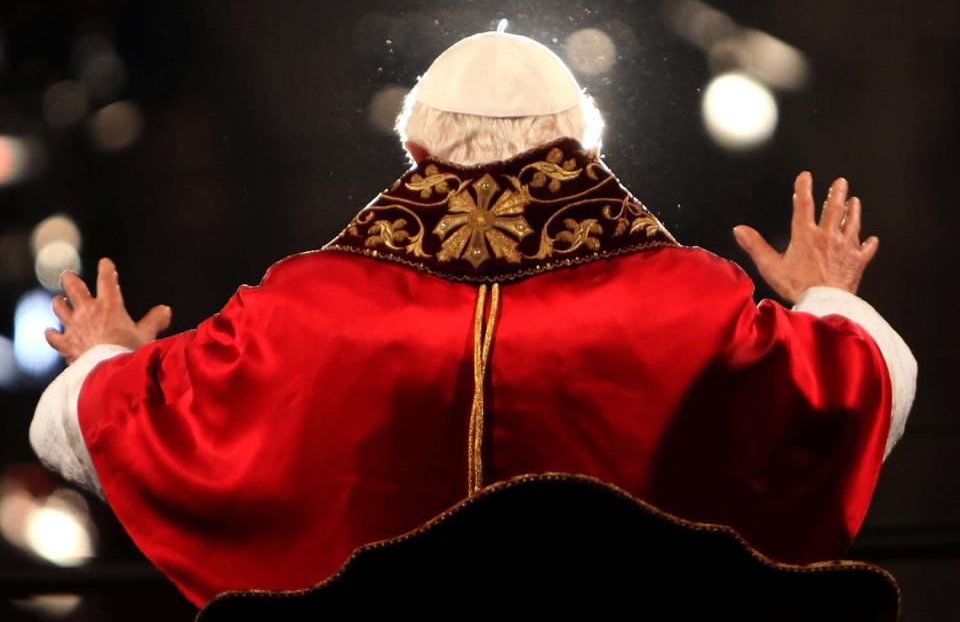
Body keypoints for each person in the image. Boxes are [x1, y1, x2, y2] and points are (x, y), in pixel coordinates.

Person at [29, 30, 916, 608]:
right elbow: (858, 391)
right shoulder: (691, 300)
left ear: (415, 150)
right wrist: (825, 297)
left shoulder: (303, 308)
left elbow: (96, 427)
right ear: (582, 148)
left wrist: (104, 359)